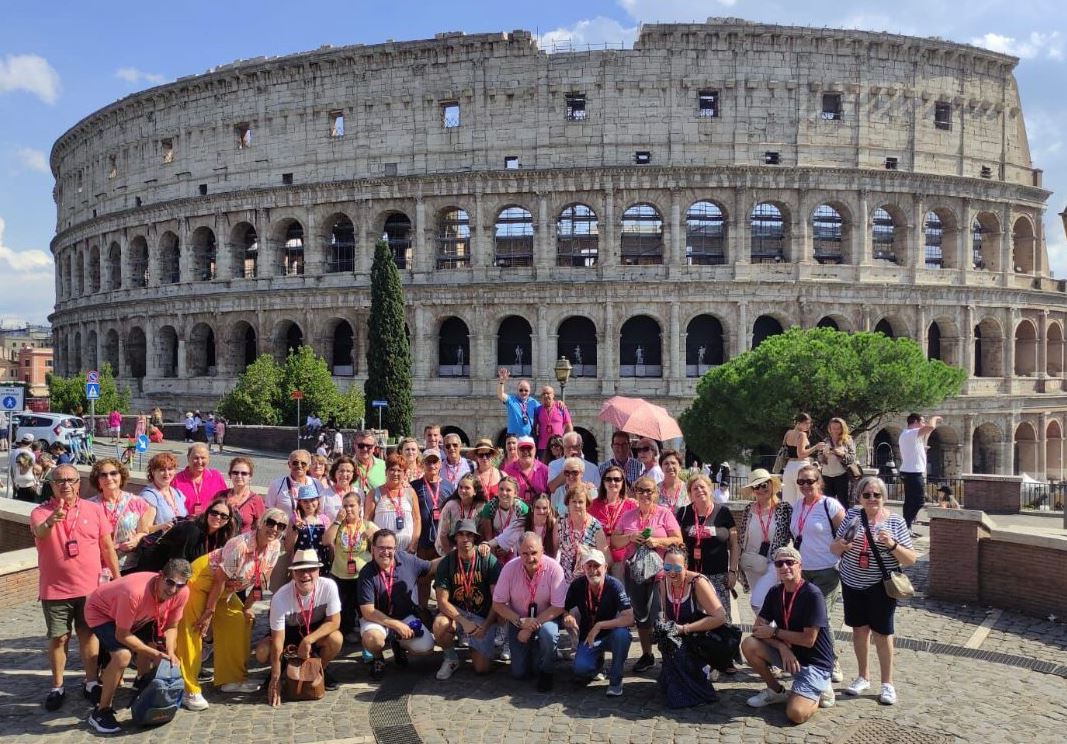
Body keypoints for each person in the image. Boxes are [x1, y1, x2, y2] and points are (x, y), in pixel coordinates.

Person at [30, 464, 120, 711]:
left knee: (88, 635)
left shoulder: (94, 509)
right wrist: (52, 521)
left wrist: (117, 578)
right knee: (59, 638)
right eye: (60, 481)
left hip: (90, 589)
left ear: (79, 483)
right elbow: (39, 532)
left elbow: (107, 547)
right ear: (51, 485)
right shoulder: (40, 512)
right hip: (55, 590)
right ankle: (57, 686)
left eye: (71, 480)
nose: (66, 485)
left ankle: (91, 682)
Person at [178, 509, 287, 707]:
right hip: (202, 582)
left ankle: (231, 679)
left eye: (281, 526)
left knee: (239, 619)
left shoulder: (275, 546)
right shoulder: (240, 545)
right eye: (271, 522)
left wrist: (248, 607)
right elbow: (219, 579)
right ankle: (189, 689)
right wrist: (209, 612)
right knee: (195, 629)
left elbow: (261, 580)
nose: (274, 528)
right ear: (261, 522)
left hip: (225, 589)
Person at [831, 476, 916, 705]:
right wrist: (841, 545)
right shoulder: (852, 516)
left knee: (882, 634)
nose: (871, 499)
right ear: (859, 497)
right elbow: (834, 548)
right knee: (859, 631)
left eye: (876, 495)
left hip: (880, 585)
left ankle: (887, 683)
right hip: (852, 582)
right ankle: (863, 676)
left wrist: (892, 545)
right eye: (866, 495)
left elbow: (910, 559)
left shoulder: (895, 521)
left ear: (883, 497)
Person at [84, 559, 191, 734]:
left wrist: (170, 652)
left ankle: (142, 682)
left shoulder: (183, 593)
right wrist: (154, 653)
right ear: (160, 576)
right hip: (101, 612)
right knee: (122, 656)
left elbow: (172, 626)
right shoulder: (134, 592)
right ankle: (101, 711)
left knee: (155, 643)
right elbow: (122, 635)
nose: (173, 590)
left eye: (180, 585)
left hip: (140, 613)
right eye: (170, 582)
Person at [742, 546, 836, 722]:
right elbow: (757, 630)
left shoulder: (812, 594)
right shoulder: (775, 592)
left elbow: (808, 640)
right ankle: (776, 691)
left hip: (814, 663)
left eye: (789, 562)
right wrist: (781, 646)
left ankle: (821, 690)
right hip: (789, 654)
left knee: (796, 714)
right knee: (749, 644)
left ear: (800, 565)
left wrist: (775, 632)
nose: (784, 567)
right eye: (779, 564)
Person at [610, 475, 682, 673]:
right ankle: (647, 654)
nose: (645, 494)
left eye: (649, 490)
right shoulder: (628, 516)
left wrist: (657, 542)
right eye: (640, 490)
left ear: (656, 493)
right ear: (635, 493)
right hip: (635, 574)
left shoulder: (664, 514)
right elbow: (614, 541)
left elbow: (678, 539)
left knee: (661, 616)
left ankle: (669, 656)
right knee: (641, 615)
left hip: (660, 574)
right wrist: (630, 537)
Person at [256, 549, 343, 705]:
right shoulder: (280, 597)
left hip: (314, 632)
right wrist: (275, 679)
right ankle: (282, 670)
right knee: (262, 652)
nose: (306, 575)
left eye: (311, 569)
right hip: (287, 635)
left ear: (318, 571)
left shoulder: (329, 586)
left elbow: (334, 622)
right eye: (300, 570)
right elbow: (277, 641)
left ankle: (318, 671)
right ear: (293, 573)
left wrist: (308, 640)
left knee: (336, 638)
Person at [790, 464, 846, 688]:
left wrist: (839, 550)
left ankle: (832, 661)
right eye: (801, 482)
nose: (805, 485)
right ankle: (810, 658)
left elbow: (847, 532)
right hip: (803, 571)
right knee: (805, 619)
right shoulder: (798, 506)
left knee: (822, 619)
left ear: (819, 482)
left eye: (809, 481)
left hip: (826, 570)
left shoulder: (829, 505)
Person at [491, 531, 567, 691]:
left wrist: (531, 626)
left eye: (534, 553)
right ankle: (536, 652)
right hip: (518, 620)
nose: (530, 558)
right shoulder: (509, 569)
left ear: (542, 551)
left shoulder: (554, 569)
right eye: (525, 553)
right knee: (519, 673)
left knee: (548, 634)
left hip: (546, 619)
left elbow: (559, 606)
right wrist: (520, 622)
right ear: (519, 552)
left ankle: (547, 672)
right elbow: (497, 603)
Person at [357, 529, 437, 680]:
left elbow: (431, 566)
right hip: (376, 620)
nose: (385, 552)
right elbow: (368, 611)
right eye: (381, 548)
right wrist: (396, 625)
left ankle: (397, 643)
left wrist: (455, 555)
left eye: (389, 548)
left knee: (426, 648)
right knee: (373, 639)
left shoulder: (407, 560)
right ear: (373, 548)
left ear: (395, 548)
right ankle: (378, 658)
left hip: (404, 616)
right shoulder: (366, 573)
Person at [656, 543, 729, 706]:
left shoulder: (697, 582)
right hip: (678, 636)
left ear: (686, 566)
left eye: (677, 568)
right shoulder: (663, 581)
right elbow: (667, 616)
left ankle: (702, 677)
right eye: (667, 567)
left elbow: (720, 617)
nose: (671, 572)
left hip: (699, 636)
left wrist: (685, 629)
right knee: (668, 645)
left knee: (679, 653)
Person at [432, 519, 501, 679]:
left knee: (482, 669)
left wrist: (485, 626)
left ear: (475, 537)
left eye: (469, 535)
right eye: (461, 535)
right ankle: (451, 658)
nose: (465, 539)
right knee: (440, 624)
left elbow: (498, 600)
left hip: (482, 616)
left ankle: (480, 644)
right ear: (455, 538)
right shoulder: (447, 562)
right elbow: (442, 601)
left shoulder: (487, 560)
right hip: (457, 613)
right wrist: (464, 622)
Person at [562, 549, 633, 695]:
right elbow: (564, 609)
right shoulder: (577, 585)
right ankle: (597, 665)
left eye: (597, 566)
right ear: (583, 568)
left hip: (611, 635)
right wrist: (567, 616)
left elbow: (629, 618)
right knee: (580, 670)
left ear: (605, 567)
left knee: (623, 635)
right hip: (589, 637)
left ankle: (616, 681)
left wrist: (600, 626)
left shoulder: (614, 586)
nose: (593, 570)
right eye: (589, 566)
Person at [676, 474, 737, 624]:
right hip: (691, 575)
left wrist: (733, 571)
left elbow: (735, 545)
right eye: (695, 488)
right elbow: (677, 543)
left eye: (702, 487)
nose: (699, 490)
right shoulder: (683, 513)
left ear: (710, 489)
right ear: (690, 494)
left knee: (722, 619)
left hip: (718, 575)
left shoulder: (723, 512)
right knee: (693, 619)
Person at [736, 469, 793, 613]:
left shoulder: (784, 509)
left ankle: (772, 626)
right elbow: (741, 537)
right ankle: (770, 627)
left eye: (764, 485)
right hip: (752, 562)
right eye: (756, 486)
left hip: (774, 563)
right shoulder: (749, 509)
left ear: (772, 485)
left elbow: (794, 533)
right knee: (764, 604)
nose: (761, 489)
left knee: (757, 601)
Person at [324, 493, 377, 643]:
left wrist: (374, 535)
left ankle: (367, 633)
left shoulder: (367, 525)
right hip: (340, 574)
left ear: (360, 507)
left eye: (352, 505)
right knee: (343, 606)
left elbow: (385, 540)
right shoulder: (339, 525)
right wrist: (336, 521)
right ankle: (346, 632)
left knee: (363, 606)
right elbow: (326, 540)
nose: (348, 509)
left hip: (362, 575)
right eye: (345, 506)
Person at [88, 457, 154, 575]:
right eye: (103, 475)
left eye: (113, 473)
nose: (109, 478)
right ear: (97, 480)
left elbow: (144, 531)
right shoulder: (89, 506)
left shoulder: (137, 502)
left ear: (121, 476)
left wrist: (136, 540)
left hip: (129, 566)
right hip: (98, 568)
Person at [139, 497, 236, 572]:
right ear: (208, 513)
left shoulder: (220, 537)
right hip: (154, 569)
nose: (218, 517)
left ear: (228, 520)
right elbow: (177, 563)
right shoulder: (192, 530)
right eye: (214, 513)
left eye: (223, 516)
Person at [412, 448, 454, 605]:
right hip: (424, 542)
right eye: (428, 462)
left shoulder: (449, 486)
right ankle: (422, 611)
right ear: (422, 464)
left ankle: (442, 609)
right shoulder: (414, 486)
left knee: (443, 580)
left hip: (443, 542)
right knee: (423, 579)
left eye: (435, 461)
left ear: (440, 464)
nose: (431, 465)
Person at [589, 465, 638, 581]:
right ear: (603, 482)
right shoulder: (592, 505)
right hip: (598, 558)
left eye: (617, 479)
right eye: (608, 479)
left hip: (622, 559)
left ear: (623, 482)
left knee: (619, 590)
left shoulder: (632, 505)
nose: (613, 482)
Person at [366, 454, 421, 554]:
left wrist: (413, 544)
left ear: (405, 473)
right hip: (383, 551)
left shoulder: (410, 492)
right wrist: (375, 545)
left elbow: (417, 520)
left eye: (399, 470)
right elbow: (367, 521)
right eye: (392, 470)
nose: (395, 473)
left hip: (407, 551)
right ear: (386, 472)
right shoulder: (374, 493)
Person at [554, 485, 610, 583]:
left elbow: (606, 559)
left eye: (580, 502)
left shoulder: (595, 527)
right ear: (568, 503)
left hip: (587, 580)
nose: (577, 505)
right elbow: (554, 550)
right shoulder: (560, 522)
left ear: (586, 504)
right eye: (574, 501)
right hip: (563, 579)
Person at [899, 413, 942, 534]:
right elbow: (931, 427)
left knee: (909, 501)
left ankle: (906, 527)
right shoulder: (910, 433)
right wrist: (935, 418)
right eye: (922, 422)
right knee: (919, 501)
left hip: (909, 471)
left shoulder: (907, 434)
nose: (924, 424)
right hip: (913, 472)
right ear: (915, 422)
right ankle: (906, 525)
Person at [479, 475, 529, 564]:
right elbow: (488, 536)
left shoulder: (522, 509)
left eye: (508, 490)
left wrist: (508, 547)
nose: (504, 493)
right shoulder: (490, 507)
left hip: (515, 545)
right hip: (495, 544)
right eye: (501, 489)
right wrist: (494, 557)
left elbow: (523, 536)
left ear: (515, 493)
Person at [781, 413, 827, 506]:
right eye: (806, 423)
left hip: (789, 467)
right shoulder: (802, 434)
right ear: (798, 423)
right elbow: (801, 454)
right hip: (801, 466)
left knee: (788, 499)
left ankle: (789, 516)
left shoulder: (788, 433)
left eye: (809, 423)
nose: (808, 426)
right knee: (802, 497)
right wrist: (815, 447)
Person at [436, 472, 486, 555]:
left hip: (472, 552)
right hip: (450, 551)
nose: (463, 490)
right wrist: (451, 557)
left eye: (467, 488)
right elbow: (443, 535)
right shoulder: (450, 506)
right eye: (460, 487)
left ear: (475, 491)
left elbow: (483, 535)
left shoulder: (481, 508)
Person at [172, 443, 228, 518]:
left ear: (208, 459)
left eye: (203, 458)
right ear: (188, 458)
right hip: (185, 522)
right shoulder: (176, 479)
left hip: (211, 522)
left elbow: (225, 501)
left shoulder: (216, 476)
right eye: (196, 458)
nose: (199, 461)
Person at [139, 452, 189, 534]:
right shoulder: (149, 496)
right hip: (161, 541)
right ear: (153, 472)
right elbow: (144, 529)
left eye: (170, 469)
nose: (167, 473)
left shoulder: (177, 493)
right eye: (162, 470)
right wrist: (162, 527)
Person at [286, 485, 332, 569]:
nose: (309, 504)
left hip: (321, 561)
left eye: (312, 500)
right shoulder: (294, 518)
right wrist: (296, 529)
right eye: (305, 501)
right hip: (301, 562)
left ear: (318, 501)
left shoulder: (324, 519)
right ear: (300, 502)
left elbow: (329, 543)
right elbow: (288, 546)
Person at [818, 417, 858, 509]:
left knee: (843, 503)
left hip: (842, 475)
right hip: (826, 476)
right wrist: (825, 456)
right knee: (827, 504)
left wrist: (841, 454)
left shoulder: (847, 441)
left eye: (838, 428)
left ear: (842, 428)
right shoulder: (826, 441)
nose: (835, 431)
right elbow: (820, 459)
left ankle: (844, 518)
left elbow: (852, 458)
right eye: (833, 428)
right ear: (830, 429)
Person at [219, 456, 263, 533]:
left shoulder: (256, 500)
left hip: (244, 540)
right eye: (235, 473)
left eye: (244, 473)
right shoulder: (220, 495)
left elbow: (260, 528)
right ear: (230, 475)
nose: (239, 476)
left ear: (250, 477)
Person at [503, 436, 549, 504]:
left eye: (529, 448)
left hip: (540, 510)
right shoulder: (508, 471)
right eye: (522, 449)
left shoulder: (545, 470)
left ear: (535, 450)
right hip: (516, 509)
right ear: (517, 451)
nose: (526, 452)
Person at [496, 367, 540, 438]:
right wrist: (502, 382)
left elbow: (545, 409)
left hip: (528, 438)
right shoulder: (511, 400)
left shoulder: (534, 402)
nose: (523, 392)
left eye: (526, 390)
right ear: (517, 390)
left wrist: (558, 403)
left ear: (529, 391)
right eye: (521, 390)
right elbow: (500, 394)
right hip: (513, 439)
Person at [535, 385, 573, 456]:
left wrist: (567, 441)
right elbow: (534, 426)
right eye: (543, 394)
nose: (545, 395)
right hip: (543, 447)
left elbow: (568, 426)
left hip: (558, 445)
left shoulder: (561, 407)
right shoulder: (538, 409)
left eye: (548, 393)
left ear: (553, 395)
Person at [352, 430, 387, 499]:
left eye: (369, 446)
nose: (365, 449)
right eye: (361, 445)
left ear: (374, 447)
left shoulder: (384, 466)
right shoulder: (346, 466)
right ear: (355, 446)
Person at [524, 492, 559, 557]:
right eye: (537, 507)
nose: (541, 511)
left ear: (549, 509)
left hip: (548, 561)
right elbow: (505, 540)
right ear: (532, 508)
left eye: (544, 508)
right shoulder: (523, 523)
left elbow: (556, 551)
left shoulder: (554, 524)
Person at [323, 456, 356, 521]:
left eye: (348, 471)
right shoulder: (324, 495)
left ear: (353, 475)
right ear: (335, 473)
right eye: (341, 471)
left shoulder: (359, 493)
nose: (344, 474)